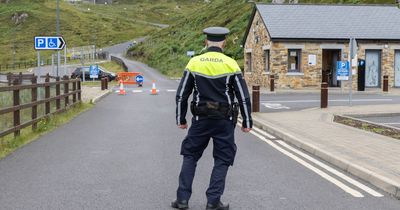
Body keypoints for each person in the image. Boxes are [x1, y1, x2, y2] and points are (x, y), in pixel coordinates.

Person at [171, 27, 253, 210]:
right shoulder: (231, 64)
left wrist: (181, 119)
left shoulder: (194, 63)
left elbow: (181, 95)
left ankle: (182, 200)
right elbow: (243, 96)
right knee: (222, 159)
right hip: (224, 121)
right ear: (224, 43)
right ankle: (213, 202)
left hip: (200, 120)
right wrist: (247, 122)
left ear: (206, 42)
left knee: (190, 155)